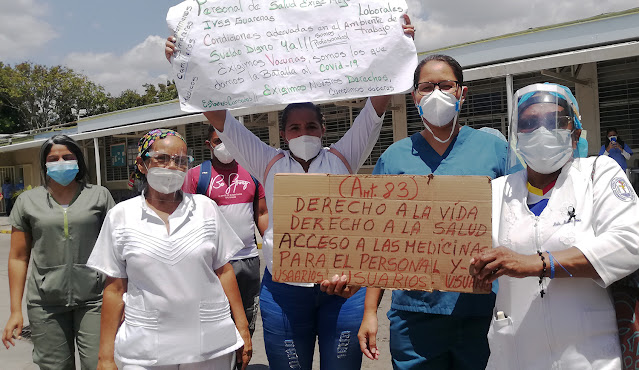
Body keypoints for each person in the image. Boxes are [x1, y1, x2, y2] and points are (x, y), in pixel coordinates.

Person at [164, 17, 414, 370]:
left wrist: (396, 46)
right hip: (283, 294)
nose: (303, 132)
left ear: (324, 129)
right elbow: (221, 119)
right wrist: (185, 63)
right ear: (283, 134)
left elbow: (376, 105)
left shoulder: (345, 155)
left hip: (342, 293)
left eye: (311, 126)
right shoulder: (267, 162)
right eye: (295, 127)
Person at [470, 83, 639, 369]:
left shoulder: (598, 174)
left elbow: (630, 243)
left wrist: (539, 263)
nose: (542, 131)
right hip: (515, 351)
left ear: (575, 133)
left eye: (556, 121)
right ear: (516, 136)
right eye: (529, 123)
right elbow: (461, 254)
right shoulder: (497, 191)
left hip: (588, 355)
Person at [358, 54, 508, 370]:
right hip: (415, 315)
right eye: (427, 87)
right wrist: (370, 311)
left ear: (462, 93)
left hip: (482, 310)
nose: (436, 93)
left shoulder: (495, 151)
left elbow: (519, 220)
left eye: (445, 85)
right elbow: (378, 240)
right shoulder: (394, 158)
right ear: (414, 97)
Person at [88, 129, 252, 370]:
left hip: (209, 345)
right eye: (162, 158)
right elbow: (114, 289)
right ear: (142, 164)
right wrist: (105, 356)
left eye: (181, 160)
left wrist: (243, 329)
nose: (172, 166)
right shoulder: (121, 216)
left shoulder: (205, 208)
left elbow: (224, 271)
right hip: (145, 350)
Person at [1, 135, 115, 370]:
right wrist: (15, 311)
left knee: (100, 364)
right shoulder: (27, 201)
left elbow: (116, 250)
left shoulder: (99, 196)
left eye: (68, 157)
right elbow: (18, 257)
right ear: (44, 164)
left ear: (78, 161)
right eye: (53, 158)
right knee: (54, 367)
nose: (61, 162)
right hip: (45, 303)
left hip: (94, 300)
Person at [183, 126, 268, 336]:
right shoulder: (196, 176)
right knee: (215, 318)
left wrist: (275, 246)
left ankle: (241, 360)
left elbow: (262, 214)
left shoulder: (252, 172)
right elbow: (185, 219)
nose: (224, 147)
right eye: (217, 141)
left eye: (228, 141)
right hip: (214, 263)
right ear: (208, 145)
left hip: (248, 259)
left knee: (247, 317)